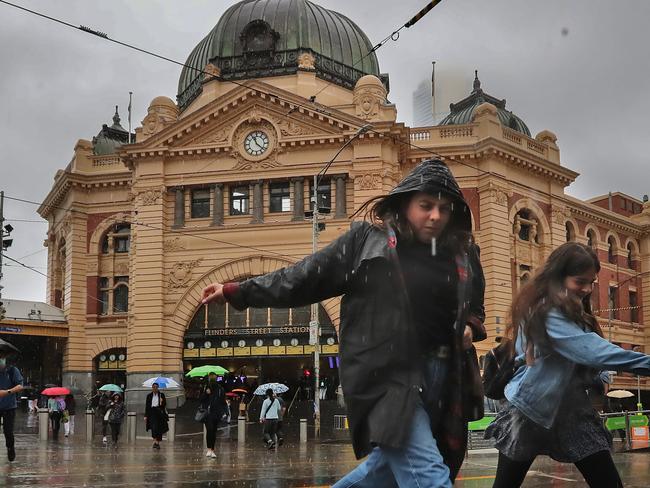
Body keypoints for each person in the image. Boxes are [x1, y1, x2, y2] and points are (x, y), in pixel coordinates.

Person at [201, 159, 487, 486]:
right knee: (429, 478)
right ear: (405, 202)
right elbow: (302, 278)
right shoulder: (367, 241)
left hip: (446, 377)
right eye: (425, 205)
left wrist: (471, 324)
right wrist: (238, 291)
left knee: (383, 475)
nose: (435, 215)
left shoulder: (463, 252)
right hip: (389, 376)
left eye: (444, 208)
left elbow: (475, 299)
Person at [485, 242, 650, 488]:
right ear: (558, 278)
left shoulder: (573, 313)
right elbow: (597, 352)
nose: (586, 289)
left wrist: (600, 377)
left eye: (591, 282)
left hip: (571, 411)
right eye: (579, 281)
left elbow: (588, 355)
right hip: (530, 412)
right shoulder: (547, 313)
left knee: (608, 483)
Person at [0, 350, 24, 462]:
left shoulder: (12, 370)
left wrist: (7, 392)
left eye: (2, 356)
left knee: (8, 431)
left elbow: (20, 386)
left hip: (9, 406)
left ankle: (10, 448)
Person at [200, 372, 227, 459]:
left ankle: (212, 449)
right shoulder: (206, 388)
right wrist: (206, 393)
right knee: (210, 430)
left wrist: (225, 411)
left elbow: (223, 401)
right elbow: (201, 399)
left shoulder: (220, 389)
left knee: (214, 431)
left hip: (216, 413)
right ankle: (209, 449)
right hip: (208, 413)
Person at [145, 383, 168, 449]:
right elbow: (147, 406)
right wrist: (146, 415)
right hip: (152, 412)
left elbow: (164, 405)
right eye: (154, 387)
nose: (155, 388)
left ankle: (157, 443)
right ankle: (155, 441)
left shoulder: (161, 395)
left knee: (159, 428)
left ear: (158, 388)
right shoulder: (149, 396)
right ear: (152, 388)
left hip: (159, 412)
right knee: (153, 427)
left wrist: (162, 402)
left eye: (156, 387)